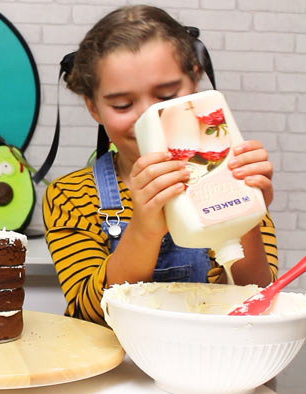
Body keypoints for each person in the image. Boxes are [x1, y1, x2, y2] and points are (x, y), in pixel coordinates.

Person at [42, 5, 277, 325]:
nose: (147, 117)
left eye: (166, 95)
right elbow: (90, 312)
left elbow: (259, 301)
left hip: (214, 363)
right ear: (94, 108)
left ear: (194, 80)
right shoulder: (71, 196)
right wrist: (144, 229)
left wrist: (245, 215)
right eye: (123, 104)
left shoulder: (230, 174)